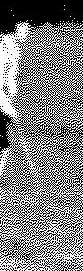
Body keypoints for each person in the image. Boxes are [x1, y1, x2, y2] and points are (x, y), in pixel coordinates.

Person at [0, 21, 25, 177]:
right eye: (24, 29)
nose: (26, 34)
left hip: (3, 100)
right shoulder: (6, 47)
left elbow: (10, 80)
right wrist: (6, 106)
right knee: (4, 144)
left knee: (4, 144)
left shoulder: (13, 47)